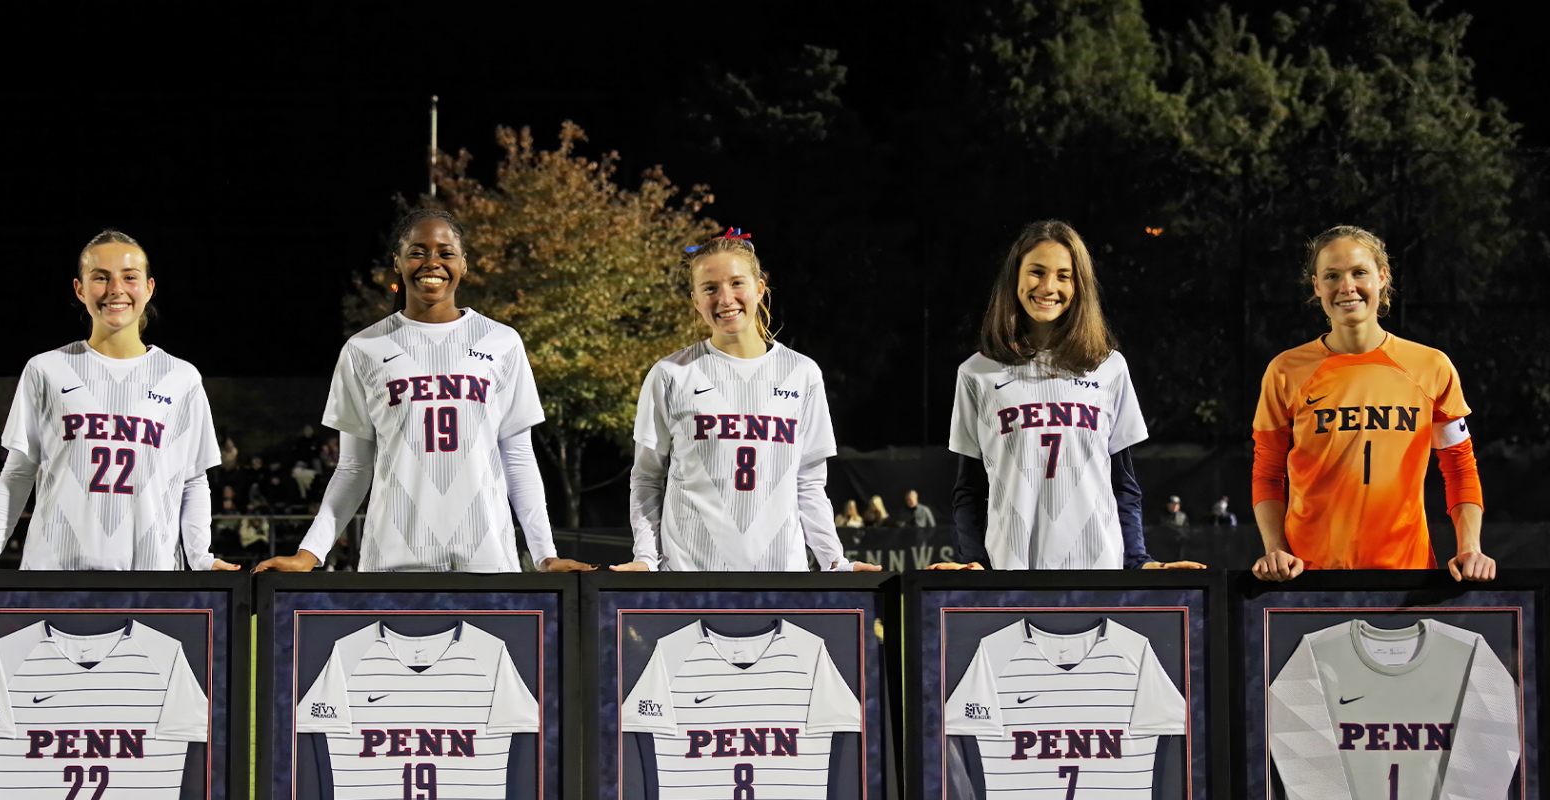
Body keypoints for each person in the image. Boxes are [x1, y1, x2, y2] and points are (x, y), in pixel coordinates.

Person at [255, 207, 588, 574]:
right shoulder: (363, 349)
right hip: (392, 562)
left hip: (488, 561)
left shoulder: (502, 342)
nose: (432, 262)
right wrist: (309, 553)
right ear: (397, 263)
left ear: (464, 264)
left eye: (446, 253)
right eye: (417, 251)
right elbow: (353, 468)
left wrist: (544, 554)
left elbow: (518, 458)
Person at [0, 229, 237, 573]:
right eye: (100, 278)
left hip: (153, 576)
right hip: (54, 575)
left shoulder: (182, 378)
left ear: (149, 288)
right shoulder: (46, 369)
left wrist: (202, 558)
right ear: (79, 289)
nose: (115, 289)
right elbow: (17, 474)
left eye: (129, 277)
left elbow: (193, 480)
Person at [612, 228, 879, 573]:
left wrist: (834, 562)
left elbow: (809, 484)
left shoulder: (802, 373)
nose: (725, 299)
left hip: (783, 582)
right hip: (687, 584)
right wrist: (646, 559)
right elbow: (646, 479)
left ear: (759, 288)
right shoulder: (670, 374)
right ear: (695, 300)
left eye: (737, 283)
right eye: (710, 288)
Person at [941, 219, 1194, 571]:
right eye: (1036, 272)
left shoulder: (1109, 367)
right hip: (1009, 576)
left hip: (1099, 572)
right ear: (1014, 277)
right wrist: (974, 564)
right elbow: (969, 490)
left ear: (1079, 286)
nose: (1048, 286)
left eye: (1064, 275)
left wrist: (1138, 561)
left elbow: (1123, 485)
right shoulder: (977, 372)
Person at [1250, 225, 1492, 582]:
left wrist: (1470, 548)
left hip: (1406, 579)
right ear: (1317, 286)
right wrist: (1275, 549)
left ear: (1382, 277)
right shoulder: (1285, 371)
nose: (1346, 287)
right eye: (1332, 275)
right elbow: (1267, 475)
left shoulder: (1431, 367)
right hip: (1308, 580)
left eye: (1359, 272)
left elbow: (1460, 468)